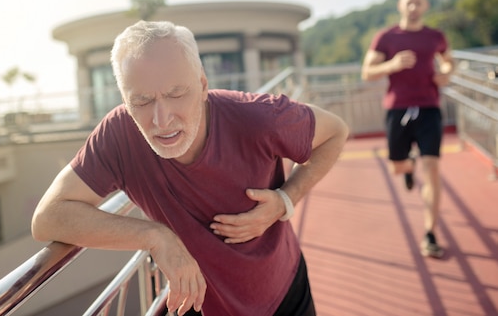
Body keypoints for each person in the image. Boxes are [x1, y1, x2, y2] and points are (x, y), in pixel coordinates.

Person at [32, 20, 349, 315]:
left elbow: (335, 131)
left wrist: (285, 200)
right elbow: (48, 218)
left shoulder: (257, 117)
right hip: (198, 307)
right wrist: (156, 237)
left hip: (284, 295)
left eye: (176, 93)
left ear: (202, 85)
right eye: (141, 101)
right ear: (125, 101)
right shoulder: (118, 132)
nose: (162, 119)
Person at [361, 0, 454, 258]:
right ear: (401, 6)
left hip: (429, 109)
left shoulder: (435, 36)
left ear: (426, 6)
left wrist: (446, 72)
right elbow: (367, 72)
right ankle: (408, 166)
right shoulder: (386, 37)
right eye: (409, 3)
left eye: (419, 3)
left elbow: (448, 61)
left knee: (433, 169)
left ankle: (430, 233)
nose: (414, 8)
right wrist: (391, 65)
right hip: (397, 109)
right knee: (398, 167)